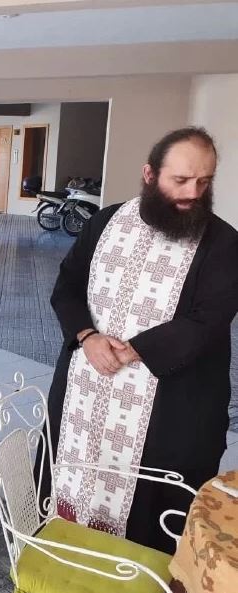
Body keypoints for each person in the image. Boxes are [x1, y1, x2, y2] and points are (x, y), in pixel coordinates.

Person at [47, 127, 238, 554]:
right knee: (74, 491)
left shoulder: (224, 243)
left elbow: (208, 319)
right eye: (181, 180)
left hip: (168, 411)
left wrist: (135, 349)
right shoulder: (104, 221)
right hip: (86, 397)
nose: (194, 192)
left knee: (150, 526)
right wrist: (87, 336)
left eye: (204, 181)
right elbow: (67, 286)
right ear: (149, 174)